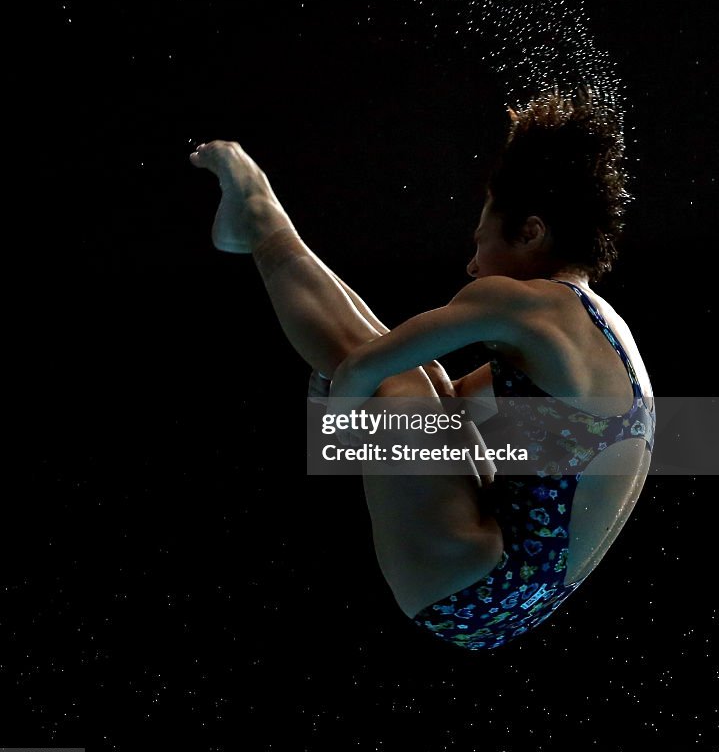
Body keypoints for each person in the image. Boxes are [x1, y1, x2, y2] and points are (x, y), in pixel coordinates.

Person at [190, 82, 654, 651]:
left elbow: (365, 372)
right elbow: (451, 403)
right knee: (426, 381)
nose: (471, 261)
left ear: (530, 231)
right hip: (506, 604)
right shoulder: (604, 332)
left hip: (473, 580)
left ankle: (260, 219)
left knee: (398, 378)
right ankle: (255, 221)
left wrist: (334, 416)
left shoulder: (522, 301)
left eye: (479, 238)